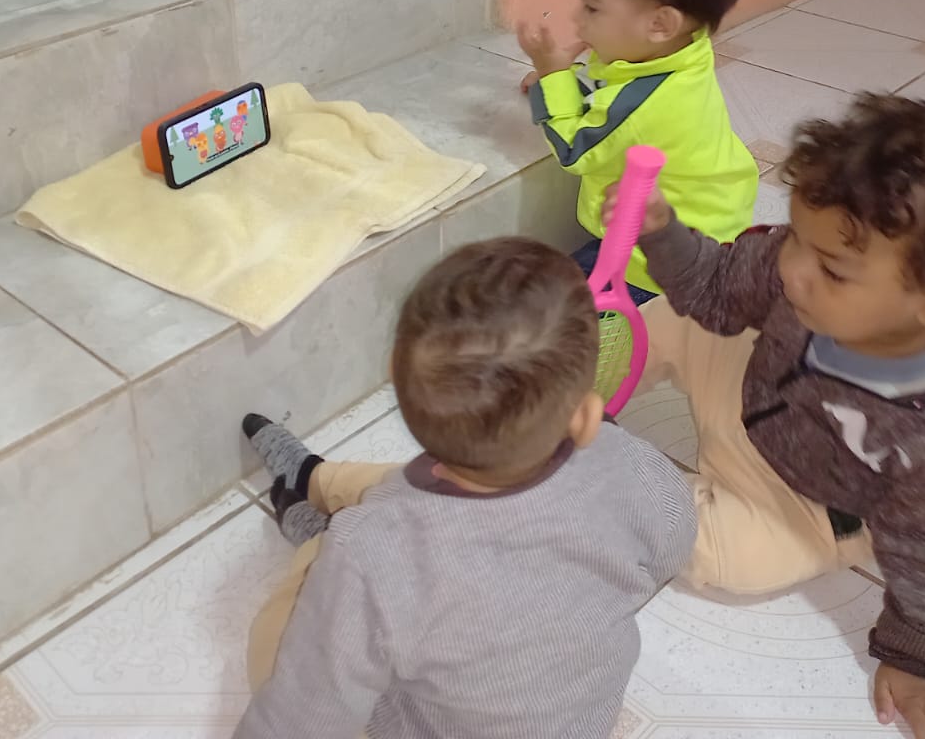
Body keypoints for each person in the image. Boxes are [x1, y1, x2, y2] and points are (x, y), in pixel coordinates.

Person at [613, 93, 925, 739]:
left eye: (830, 268)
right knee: (670, 319)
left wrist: (917, 663)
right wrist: (662, 232)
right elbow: (716, 284)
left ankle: (603, 478)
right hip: (760, 386)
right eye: (796, 236)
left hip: (813, 500)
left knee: (735, 562)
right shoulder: (801, 269)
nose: (792, 269)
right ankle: (562, 395)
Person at [233, 237, 696, 739]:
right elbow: (675, 539)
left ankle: (311, 522)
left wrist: (342, 571)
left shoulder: (368, 550)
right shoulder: (628, 461)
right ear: (585, 417)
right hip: (583, 726)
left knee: (286, 631)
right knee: (400, 495)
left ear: (395, 380)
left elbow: (299, 722)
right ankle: (316, 477)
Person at [516, 0, 758, 305]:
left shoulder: (650, 103)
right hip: (712, 230)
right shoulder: (682, 52)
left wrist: (553, 76)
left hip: (657, 266)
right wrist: (563, 80)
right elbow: (613, 92)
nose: (576, 17)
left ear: (660, 25)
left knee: (544, 309)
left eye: (592, 7)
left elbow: (576, 149)